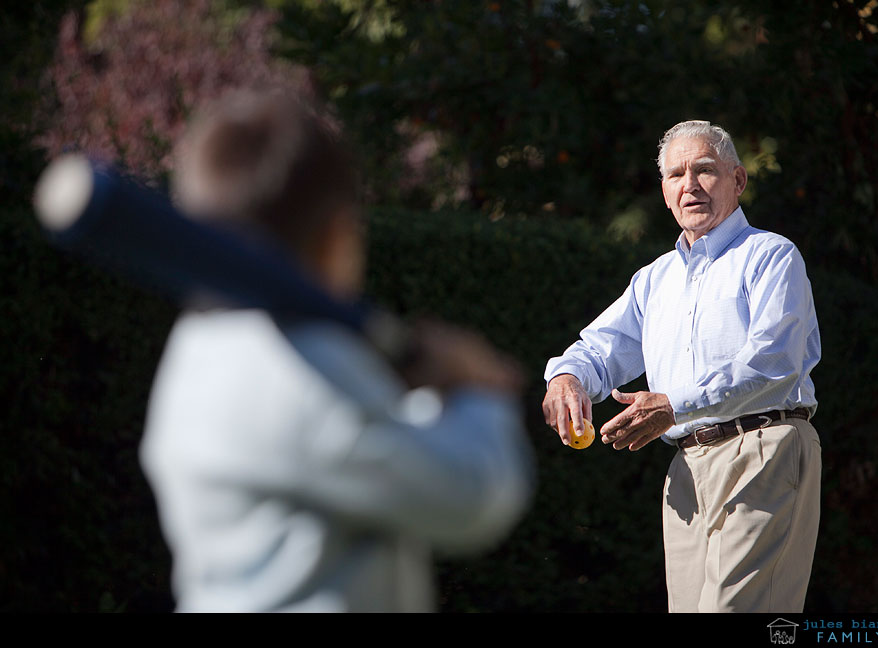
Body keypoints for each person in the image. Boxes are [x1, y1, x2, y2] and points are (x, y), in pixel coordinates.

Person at [140, 89, 534, 612]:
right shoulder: (296, 368)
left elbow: (373, 447)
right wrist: (478, 393)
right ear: (336, 237)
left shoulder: (201, 348)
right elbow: (473, 498)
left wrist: (425, 396)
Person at [542, 120, 821, 613]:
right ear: (665, 192)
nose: (689, 185)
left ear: (738, 181)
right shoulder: (654, 280)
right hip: (686, 469)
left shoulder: (771, 256)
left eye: (705, 170)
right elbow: (599, 350)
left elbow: (774, 362)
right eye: (675, 175)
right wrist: (566, 378)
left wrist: (675, 405)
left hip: (764, 448)